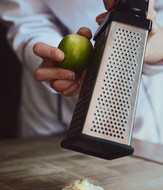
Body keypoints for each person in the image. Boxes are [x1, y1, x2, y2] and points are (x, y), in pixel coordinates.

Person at [0, 0, 163, 144]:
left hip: (135, 113)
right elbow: (27, 17)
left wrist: (137, 40)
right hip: (49, 115)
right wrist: (53, 56)